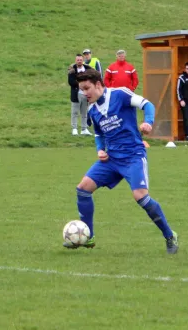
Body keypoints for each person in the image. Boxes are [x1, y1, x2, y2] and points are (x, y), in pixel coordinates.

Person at [66, 69, 178, 254]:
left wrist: (148, 122)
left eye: (87, 88)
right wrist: (100, 150)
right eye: (82, 90)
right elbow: (99, 134)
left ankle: (169, 235)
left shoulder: (120, 94)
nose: (85, 93)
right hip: (112, 159)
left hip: (133, 155)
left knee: (140, 197)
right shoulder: (93, 111)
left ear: (98, 84)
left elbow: (147, 105)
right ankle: (88, 236)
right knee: (83, 189)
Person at [68, 54, 93, 136]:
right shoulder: (72, 70)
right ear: (76, 60)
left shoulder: (87, 69)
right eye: (78, 60)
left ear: (83, 60)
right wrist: (80, 84)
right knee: (74, 112)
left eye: (81, 60)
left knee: (84, 113)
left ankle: (84, 128)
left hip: (85, 94)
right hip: (76, 93)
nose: (79, 61)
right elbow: (71, 82)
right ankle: (74, 128)